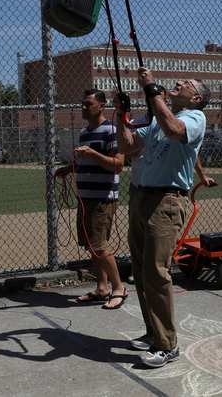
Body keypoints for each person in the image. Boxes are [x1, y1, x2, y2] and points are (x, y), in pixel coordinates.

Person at [115, 69, 210, 368]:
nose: (180, 82)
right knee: (142, 271)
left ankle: (167, 345)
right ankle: (153, 332)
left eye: (187, 84)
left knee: (156, 271)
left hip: (167, 201)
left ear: (195, 97)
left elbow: (174, 130)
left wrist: (152, 88)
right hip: (141, 196)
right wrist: (122, 115)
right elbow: (128, 146)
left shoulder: (195, 118)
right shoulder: (158, 119)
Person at [72, 89, 127, 310]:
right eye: (83, 104)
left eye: (88, 104)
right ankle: (102, 288)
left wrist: (92, 154)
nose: (84, 108)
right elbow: (87, 162)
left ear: (102, 106)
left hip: (103, 199)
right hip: (86, 198)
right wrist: (70, 168)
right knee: (91, 247)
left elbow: (118, 165)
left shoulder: (111, 131)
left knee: (100, 246)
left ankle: (119, 288)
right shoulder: (85, 132)